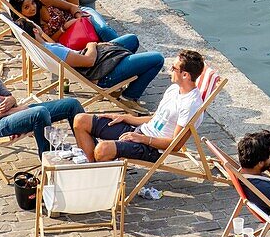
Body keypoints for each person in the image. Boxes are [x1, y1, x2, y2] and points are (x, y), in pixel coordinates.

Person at [0, 29, 83, 156]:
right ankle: (48, 163)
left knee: (72, 104)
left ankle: (89, 153)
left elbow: (9, 96)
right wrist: (6, 112)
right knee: (40, 113)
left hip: (14, 112)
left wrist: (10, 102)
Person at [72, 49, 206, 163]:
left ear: (185, 75)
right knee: (81, 120)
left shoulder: (191, 105)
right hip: (140, 131)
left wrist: (142, 139)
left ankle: (96, 175)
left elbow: (175, 144)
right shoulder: (174, 89)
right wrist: (125, 117)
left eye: (174, 68)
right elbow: (155, 119)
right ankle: (91, 170)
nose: (170, 70)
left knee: (103, 149)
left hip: (152, 148)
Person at [31, 23, 165, 104]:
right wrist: (92, 45)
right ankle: (129, 97)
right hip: (102, 73)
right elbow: (89, 61)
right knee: (157, 59)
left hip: (99, 62)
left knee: (132, 39)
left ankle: (121, 83)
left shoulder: (41, 48)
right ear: (35, 30)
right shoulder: (52, 49)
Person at [9, 0, 117, 41]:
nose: (33, 8)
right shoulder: (28, 26)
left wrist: (79, 18)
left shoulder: (44, 1)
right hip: (72, 35)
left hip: (80, 16)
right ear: (19, 10)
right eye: (26, 7)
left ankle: (126, 55)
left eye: (32, 3)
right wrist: (64, 28)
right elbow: (52, 43)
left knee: (103, 29)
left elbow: (71, 6)